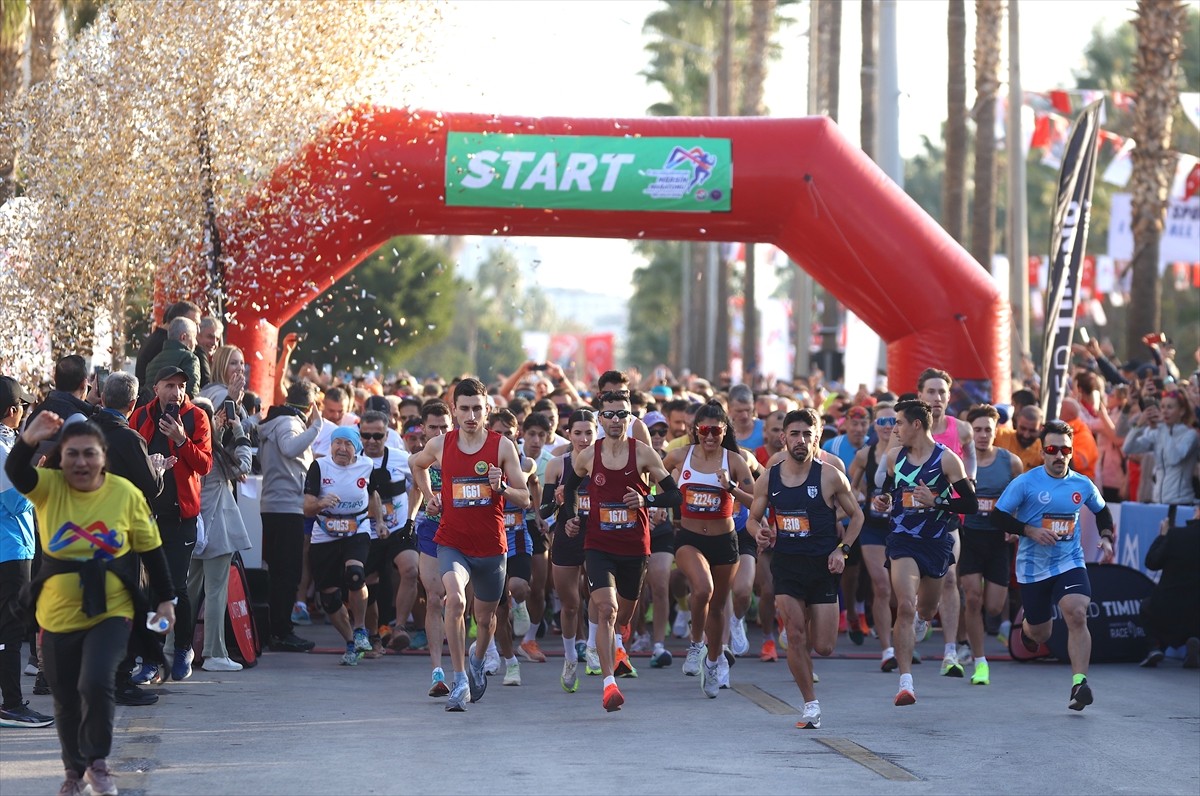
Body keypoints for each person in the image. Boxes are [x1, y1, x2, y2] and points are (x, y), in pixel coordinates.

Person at [5, 414, 176, 796]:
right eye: (72, 455)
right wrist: (29, 440)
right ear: (60, 459)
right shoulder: (49, 487)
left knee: (96, 681)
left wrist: (166, 600)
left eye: (90, 454)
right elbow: (16, 471)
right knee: (65, 698)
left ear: (103, 458)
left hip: (111, 609)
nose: (81, 462)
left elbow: (151, 549)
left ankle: (97, 763)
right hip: (56, 612)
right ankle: (73, 771)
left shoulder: (125, 494)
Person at [409, 378, 530, 712]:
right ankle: (460, 678)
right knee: (454, 599)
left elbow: (527, 497)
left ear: (487, 409)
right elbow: (415, 464)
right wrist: (430, 498)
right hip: (452, 542)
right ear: (454, 410)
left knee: (488, 618)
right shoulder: (440, 445)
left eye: (477, 408)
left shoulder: (502, 446)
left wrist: (502, 487)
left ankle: (477, 661)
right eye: (464, 408)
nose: (471, 415)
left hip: (491, 546)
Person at [561, 391, 682, 712]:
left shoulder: (643, 454)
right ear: (600, 419)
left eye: (622, 415)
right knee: (606, 610)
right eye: (609, 414)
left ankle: (620, 639)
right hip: (598, 545)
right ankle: (609, 684)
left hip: (634, 546)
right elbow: (571, 488)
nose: (615, 420)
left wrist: (647, 500)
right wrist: (573, 517)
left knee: (623, 617)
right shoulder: (588, 456)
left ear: (630, 419)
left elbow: (674, 496)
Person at [750, 408, 864, 729]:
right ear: (783, 437)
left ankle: (802, 627)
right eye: (795, 434)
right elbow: (752, 518)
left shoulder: (830, 475)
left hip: (822, 565)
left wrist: (843, 550)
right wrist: (758, 532)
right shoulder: (770, 477)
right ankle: (810, 704)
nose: (801, 441)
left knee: (824, 646)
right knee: (797, 637)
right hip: (786, 565)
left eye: (807, 435)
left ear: (817, 438)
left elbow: (857, 517)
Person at [993, 419, 1115, 711]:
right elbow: (998, 516)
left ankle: (1079, 683)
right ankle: (1026, 630)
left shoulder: (1081, 484)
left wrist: (1107, 538)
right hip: (1033, 567)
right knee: (1041, 634)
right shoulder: (1026, 481)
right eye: (1052, 449)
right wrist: (1030, 530)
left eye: (1065, 450)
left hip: (1069, 561)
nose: (1059, 456)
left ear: (1071, 452)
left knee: (1076, 613)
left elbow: (1102, 511)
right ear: (1043, 451)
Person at [872, 399, 977, 706]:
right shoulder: (894, 458)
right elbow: (892, 494)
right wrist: (882, 503)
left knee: (926, 610)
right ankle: (906, 683)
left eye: (900, 423)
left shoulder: (947, 460)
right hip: (903, 540)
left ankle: (923, 618)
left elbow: (969, 504)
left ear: (916, 424)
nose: (895, 429)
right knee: (904, 605)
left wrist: (937, 503)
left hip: (936, 540)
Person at [662, 401, 754, 695]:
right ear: (696, 430)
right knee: (702, 589)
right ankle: (695, 644)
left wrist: (731, 488)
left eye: (716, 430)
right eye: (705, 430)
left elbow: (756, 502)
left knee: (717, 609)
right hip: (689, 538)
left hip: (724, 541)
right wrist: (656, 504)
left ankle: (713, 664)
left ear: (724, 431)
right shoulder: (679, 456)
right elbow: (651, 477)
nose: (710, 436)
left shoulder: (735, 461)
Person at [128, 366, 213, 682]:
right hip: (148, 516)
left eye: (180, 386)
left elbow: (204, 465)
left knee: (175, 588)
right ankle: (152, 657)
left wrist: (180, 439)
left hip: (182, 517)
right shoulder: (139, 417)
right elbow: (128, 461)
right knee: (151, 590)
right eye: (169, 385)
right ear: (156, 388)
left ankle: (183, 648)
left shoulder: (196, 418)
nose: (176, 392)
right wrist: (149, 465)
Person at [93, 372, 166, 705]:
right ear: (133, 403)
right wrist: (158, 470)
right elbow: (150, 487)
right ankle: (119, 681)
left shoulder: (82, 432)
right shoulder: (129, 439)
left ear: (103, 396)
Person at [303, 426, 385, 666]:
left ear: (356, 448)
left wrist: (378, 522)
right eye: (337, 442)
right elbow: (306, 508)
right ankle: (351, 642)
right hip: (325, 533)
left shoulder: (367, 466)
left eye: (348, 444)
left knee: (356, 575)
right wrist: (320, 503)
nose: (341, 448)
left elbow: (374, 496)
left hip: (356, 528)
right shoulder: (320, 467)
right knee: (329, 597)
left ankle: (360, 629)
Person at [0, 375, 52, 729]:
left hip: (12, 548)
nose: (25, 412)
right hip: (11, 550)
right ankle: (13, 704)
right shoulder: (3, 448)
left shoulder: (7, 443)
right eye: (23, 407)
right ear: (10, 411)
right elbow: (17, 501)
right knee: (11, 631)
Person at [958, 404, 1022, 685]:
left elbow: (1023, 498)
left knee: (994, 607)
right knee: (972, 597)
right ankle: (979, 660)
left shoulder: (1011, 462)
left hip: (998, 539)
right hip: (968, 536)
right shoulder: (958, 460)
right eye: (977, 430)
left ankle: (965, 638)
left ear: (997, 432)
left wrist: (1015, 525)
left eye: (988, 430)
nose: (983, 435)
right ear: (969, 433)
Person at [257, 379, 322, 652]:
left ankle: (278, 629)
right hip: (284, 507)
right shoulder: (288, 422)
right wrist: (316, 427)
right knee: (288, 574)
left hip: (278, 505)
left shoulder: (280, 419)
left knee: (282, 573)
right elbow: (289, 448)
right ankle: (281, 631)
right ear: (310, 405)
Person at [190, 398, 253, 672]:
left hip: (191, 531)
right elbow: (244, 465)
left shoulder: (186, 449)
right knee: (215, 593)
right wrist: (239, 431)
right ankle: (214, 652)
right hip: (216, 532)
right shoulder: (212, 455)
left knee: (187, 594)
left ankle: (173, 648)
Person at [541, 408, 596, 693]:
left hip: (598, 535)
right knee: (571, 603)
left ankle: (595, 646)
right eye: (578, 433)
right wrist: (558, 502)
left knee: (599, 596)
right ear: (568, 434)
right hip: (566, 534)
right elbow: (544, 508)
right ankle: (570, 656)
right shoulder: (557, 464)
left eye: (589, 433)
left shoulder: (605, 463)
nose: (584, 439)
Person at [359, 410, 415, 655]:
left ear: (387, 433)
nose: (371, 441)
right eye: (366, 435)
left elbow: (421, 483)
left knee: (411, 569)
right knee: (367, 584)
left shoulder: (402, 458)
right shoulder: (353, 460)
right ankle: (373, 636)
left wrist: (411, 517)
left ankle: (400, 627)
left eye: (377, 436)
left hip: (399, 528)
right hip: (366, 532)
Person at [849, 402, 899, 671]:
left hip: (902, 527)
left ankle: (903, 641)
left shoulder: (908, 453)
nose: (887, 426)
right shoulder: (864, 455)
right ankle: (887, 650)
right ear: (874, 426)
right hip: (872, 529)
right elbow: (850, 487)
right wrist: (856, 499)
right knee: (882, 586)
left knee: (900, 593)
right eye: (881, 422)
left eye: (892, 421)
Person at [410, 400, 452, 695]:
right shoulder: (417, 459)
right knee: (435, 599)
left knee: (467, 604)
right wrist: (413, 517)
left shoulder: (466, 453)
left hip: (468, 533)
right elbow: (415, 491)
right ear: (423, 429)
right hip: (431, 530)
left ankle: (476, 659)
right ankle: (437, 671)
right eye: (433, 427)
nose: (438, 432)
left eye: (444, 427)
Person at [1139, 513, 1200, 669]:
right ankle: (1194, 642)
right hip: (1195, 611)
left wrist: (1162, 536)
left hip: (1166, 606)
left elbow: (1152, 562)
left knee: (1146, 606)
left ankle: (1154, 647)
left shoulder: (1177, 535)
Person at [1122, 389, 1199, 505]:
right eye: (1162, 407)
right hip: (1158, 500)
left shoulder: (1190, 435)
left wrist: (1162, 427)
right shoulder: (1158, 432)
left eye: (1170, 407)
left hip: (1182, 502)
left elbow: (1174, 458)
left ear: (1182, 411)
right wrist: (1138, 426)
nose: (1165, 411)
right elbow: (1128, 448)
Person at [134, 299, 200, 387]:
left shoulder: (155, 339)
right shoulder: (164, 344)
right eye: (195, 323)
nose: (198, 329)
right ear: (179, 320)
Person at [142, 317, 202, 400]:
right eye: (194, 337)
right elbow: (192, 393)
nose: (196, 342)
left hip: (154, 411)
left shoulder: (153, 361)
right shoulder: (189, 358)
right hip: (177, 410)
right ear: (183, 337)